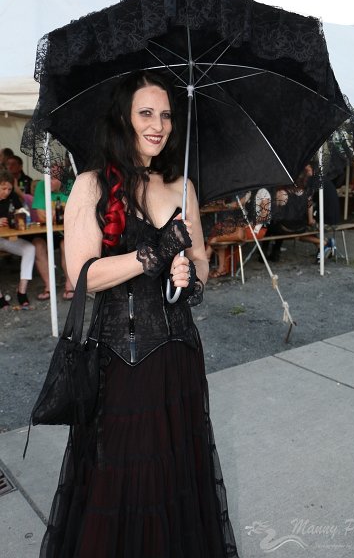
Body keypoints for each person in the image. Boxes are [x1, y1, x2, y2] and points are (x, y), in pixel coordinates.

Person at [39, 70, 238, 557]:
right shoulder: (91, 185)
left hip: (179, 357)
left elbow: (203, 262)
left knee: (177, 474)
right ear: (123, 119)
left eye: (166, 115)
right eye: (146, 113)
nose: (159, 125)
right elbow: (82, 276)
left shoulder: (182, 187)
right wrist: (153, 253)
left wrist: (188, 272)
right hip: (122, 365)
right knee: (124, 478)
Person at [266, 164, 333, 263]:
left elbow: (275, 212)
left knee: (270, 227)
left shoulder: (282, 192)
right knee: (282, 225)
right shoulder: (307, 193)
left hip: (285, 227)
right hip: (300, 227)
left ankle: (265, 254)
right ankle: (274, 252)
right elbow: (310, 217)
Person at [205, 188, 271, 277]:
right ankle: (218, 264)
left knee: (219, 232)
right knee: (220, 228)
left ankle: (208, 255)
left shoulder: (263, 193)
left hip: (257, 230)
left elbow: (263, 218)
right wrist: (226, 205)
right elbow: (237, 204)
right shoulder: (250, 192)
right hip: (246, 227)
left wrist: (248, 226)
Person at [31, 174, 74, 300]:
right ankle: (49, 285)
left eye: (53, 179)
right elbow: (41, 216)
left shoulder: (71, 185)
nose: (48, 181)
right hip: (46, 230)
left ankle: (70, 283)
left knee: (65, 244)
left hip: (67, 229)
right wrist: (61, 211)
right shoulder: (41, 185)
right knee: (37, 245)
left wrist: (54, 213)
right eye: (47, 177)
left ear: (61, 179)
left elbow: (74, 213)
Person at [0, 170, 35, 308]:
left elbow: (21, 212)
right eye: (3, 188)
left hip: (6, 239)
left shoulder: (12, 196)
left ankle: (22, 290)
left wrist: (20, 218)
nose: (7, 192)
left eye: (9, 189)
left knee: (30, 249)